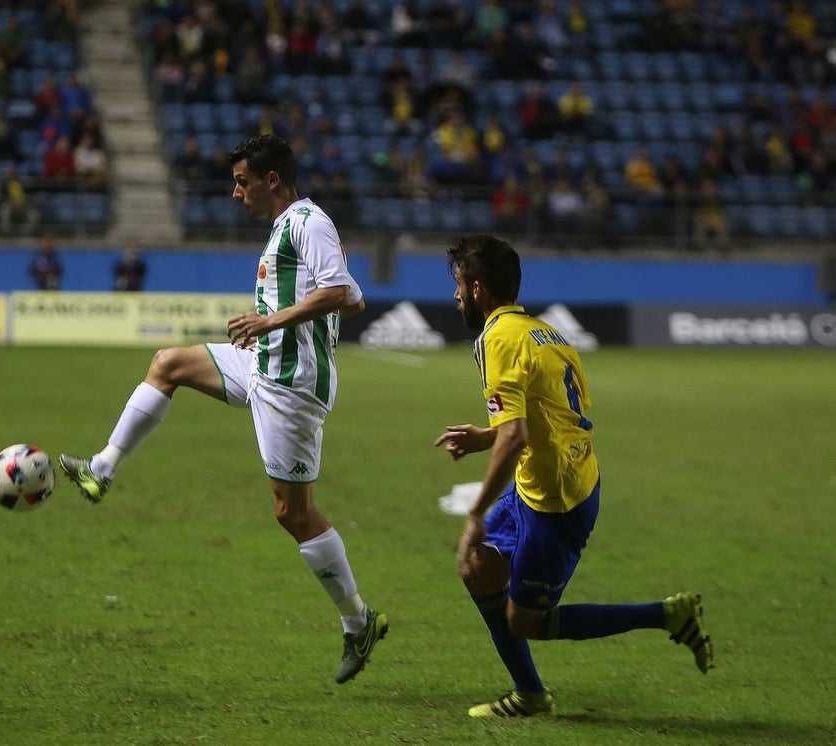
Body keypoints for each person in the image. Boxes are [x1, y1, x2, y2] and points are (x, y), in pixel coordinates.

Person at [58, 134, 387, 684]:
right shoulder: (289, 228)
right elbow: (353, 298)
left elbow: (339, 294)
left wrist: (271, 321)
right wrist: (277, 321)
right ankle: (103, 468)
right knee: (169, 364)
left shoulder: (309, 222)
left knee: (293, 514)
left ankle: (358, 621)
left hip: (291, 387)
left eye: (242, 181)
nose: (236, 193)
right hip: (262, 363)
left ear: (272, 179)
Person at [435, 234, 713, 718]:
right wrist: (488, 436)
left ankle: (668, 614)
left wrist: (476, 510)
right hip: (542, 482)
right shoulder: (545, 332)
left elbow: (518, 433)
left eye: (458, 284)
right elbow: (544, 416)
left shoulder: (495, 338)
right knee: (475, 568)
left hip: (557, 501)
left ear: (478, 289)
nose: (455, 294)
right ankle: (530, 695)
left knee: (528, 621)